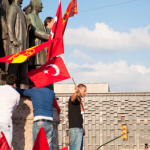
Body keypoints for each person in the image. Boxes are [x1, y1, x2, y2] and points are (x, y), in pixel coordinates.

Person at [15, 85, 60, 150]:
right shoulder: (51, 93)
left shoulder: (34, 90)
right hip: (50, 123)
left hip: (39, 122)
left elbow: (22, 91)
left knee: (37, 146)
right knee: (48, 147)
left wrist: (13, 87)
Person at [7, 0, 30, 89]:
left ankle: (22, 93)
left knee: (22, 72)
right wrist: (13, 39)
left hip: (22, 47)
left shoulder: (19, 9)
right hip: (16, 46)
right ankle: (9, 90)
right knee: (13, 71)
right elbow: (9, 24)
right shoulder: (13, 7)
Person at [28, 0, 50, 68]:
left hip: (41, 47)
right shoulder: (31, 15)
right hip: (36, 46)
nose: (42, 7)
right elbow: (36, 31)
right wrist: (50, 36)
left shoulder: (37, 17)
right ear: (35, 6)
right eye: (41, 5)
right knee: (37, 71)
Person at [0, 74, 20, 148]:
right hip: (6, 120)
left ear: (5, 82)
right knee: (7, 144)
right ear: (14, 84)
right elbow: (14, 107)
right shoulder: (17, 94)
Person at [68, 84, 87, 150]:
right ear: (80, 90)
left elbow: (78, 116)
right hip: (75, 129)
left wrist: (82, 128)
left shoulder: (79, 100)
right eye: (84, 91)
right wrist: (76, 92)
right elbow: (72, 99)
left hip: (79, 129)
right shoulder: (74, 98)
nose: (85, 93)